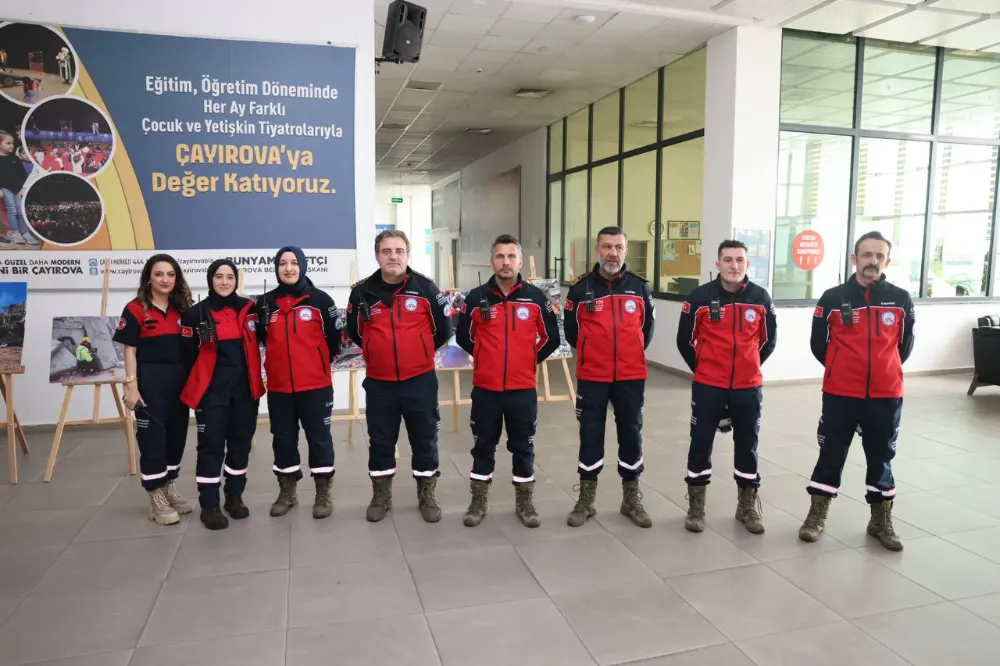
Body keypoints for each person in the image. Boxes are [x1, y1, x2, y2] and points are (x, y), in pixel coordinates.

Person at [798, 231, 915, 551]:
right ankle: (816, 515)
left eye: (879, 256)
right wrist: (841, 368)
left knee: (882, 457)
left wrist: (883, 370)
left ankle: (881, 520)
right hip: (840, 393)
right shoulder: (832, 298)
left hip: (886, 394)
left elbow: (904, 345)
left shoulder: (901, 299)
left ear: (887, 261)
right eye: (866, 255)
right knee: (831, 453)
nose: (872, 261)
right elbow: (818, 344)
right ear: (855, 258)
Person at [455, 234, 560, 528]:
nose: (506, 262)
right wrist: (484, 356)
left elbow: (551, 338)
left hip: (522, 390)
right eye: (500, 256)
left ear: (520, 261)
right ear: (492, 261)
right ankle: (478, 502)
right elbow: (463, 336)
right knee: (483, 447)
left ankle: (525, 504)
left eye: (511, 256)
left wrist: (528, 360)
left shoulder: (536, 298)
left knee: (523, 447)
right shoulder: (475, 298)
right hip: (486, 389)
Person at [346, 229, 451, 523]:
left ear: (407, 254)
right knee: (381, 441)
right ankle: (381, 496)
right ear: (377, 255)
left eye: (399, 251)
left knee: (425, 439)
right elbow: (355, 331)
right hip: (380, 383)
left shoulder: (426, 288)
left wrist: (416, 352)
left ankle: (427, 494)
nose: (393, 256)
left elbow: (443, 331)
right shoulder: (361, 292)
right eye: (387, 251)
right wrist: (376, 349)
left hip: (420, 381)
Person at [675, 240, 777, 535]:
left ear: (747, 264)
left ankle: (746, 507)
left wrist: (749, 365)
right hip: (709, 386)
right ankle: (696, 507)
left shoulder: (760, 297)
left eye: (740, 260)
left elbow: (768, 341)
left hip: (748, 387)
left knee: (748, 445)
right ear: (718, 264)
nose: (734, 265)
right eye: (728, 260)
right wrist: (705, 369)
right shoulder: (700, 297)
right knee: (700, 444)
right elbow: (684, 340)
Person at [563, 226, 655, 528]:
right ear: (597, 250)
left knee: (631, 434)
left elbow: (646, 330)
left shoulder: (639, 288)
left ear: (625, 251)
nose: (612, 253)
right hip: (593, 376)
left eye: (618, 247)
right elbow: (572, 332)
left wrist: (629, 352)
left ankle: (631, 499)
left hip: (630, 375)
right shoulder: (580, 289)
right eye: (606, 247)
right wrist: (593, 351)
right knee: (590, 435)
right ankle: (586, 500)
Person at [180, 260, 265, 530]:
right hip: (211, 394)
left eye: (230, 277)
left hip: (245, 392)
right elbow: (186, 356)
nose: (225, 282)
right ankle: (209, 505)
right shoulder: (195, 314)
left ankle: (234, 496)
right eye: (219, 276)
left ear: (236, 280)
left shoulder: (250, 309)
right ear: (210, 279)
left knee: (240, 445)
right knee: (211, 447)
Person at [257, 246, 341, 519]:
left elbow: (334, 341)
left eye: (294, 263)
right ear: (276, 268)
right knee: (282, 439)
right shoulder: (265, 303)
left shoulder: (321, 301)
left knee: (319, 439)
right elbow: (262, 339)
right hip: (280, 387)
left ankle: (323, 493)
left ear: (303, 266)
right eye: (283, 263)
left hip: (315, 386)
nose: (289, 268)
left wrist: (314, 362)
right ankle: (287, 492)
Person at [114, 254, 194, 525]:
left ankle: (169, 485)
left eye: (170, 274)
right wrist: (131, 386)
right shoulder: (136, 309)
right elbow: (129, 351)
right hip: (150, 381)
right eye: (159, 274)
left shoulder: (182, 308)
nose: (165, 279)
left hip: (179, 381)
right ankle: (155, 495)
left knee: (177, 437)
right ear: (149, 277)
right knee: (153, 440)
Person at [0, 131, 38, 246]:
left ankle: (25, 232)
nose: (11, 145)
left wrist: (24, 188)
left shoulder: (15, 158)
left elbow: (22, 174)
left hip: (18, 189)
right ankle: (15, 232)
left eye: (12, 143)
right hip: (6, 189)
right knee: (12, 210)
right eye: (8, 143)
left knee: (21, 211)